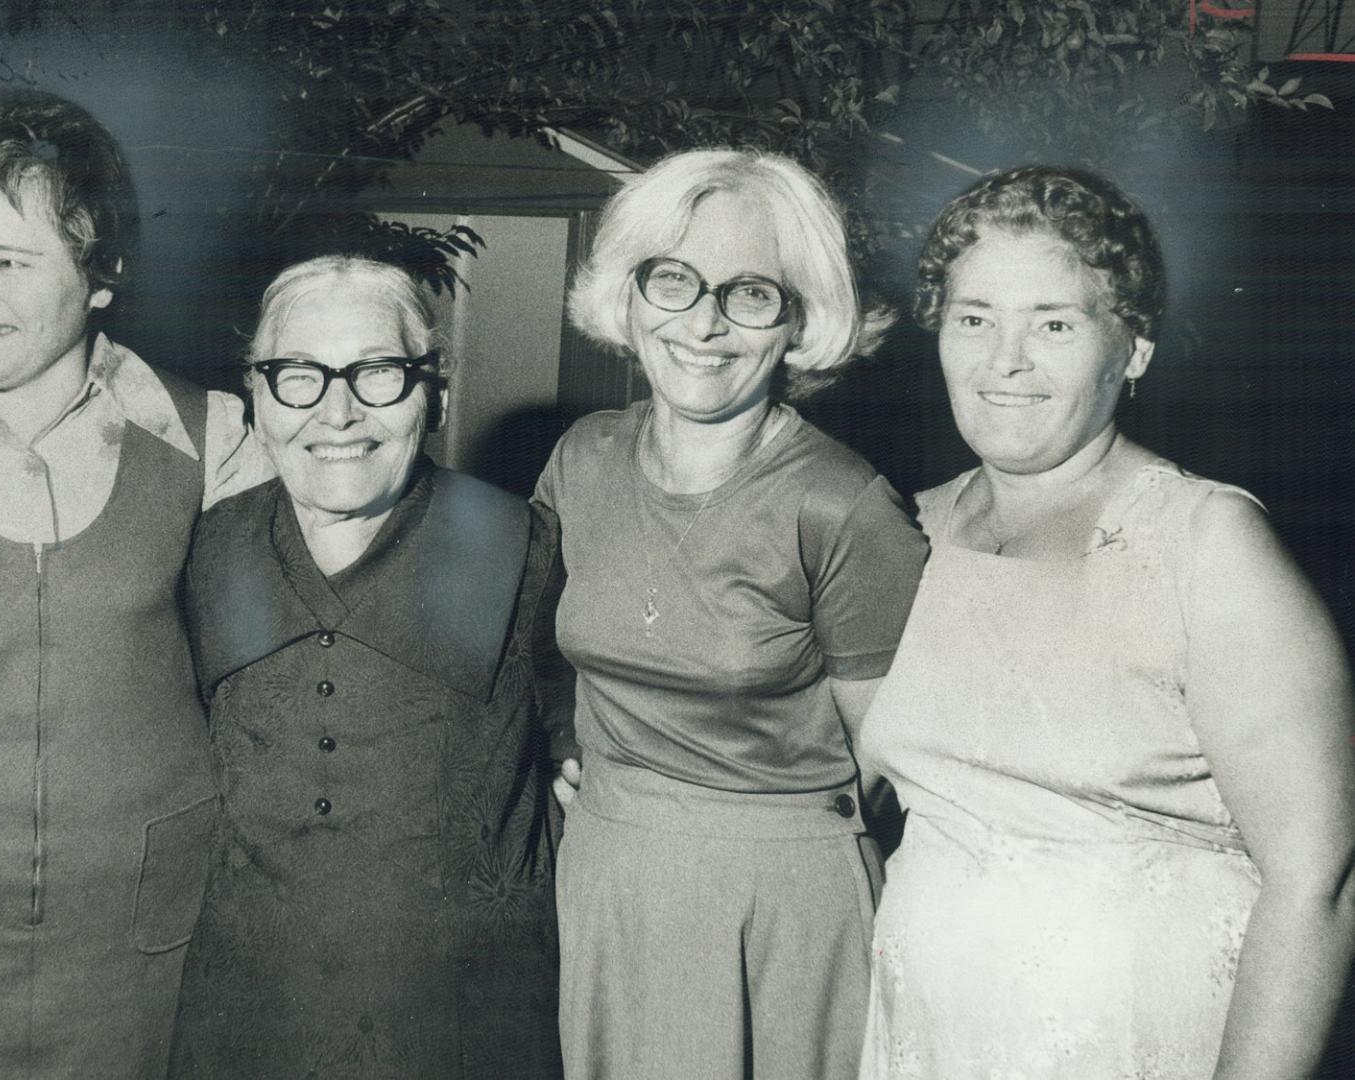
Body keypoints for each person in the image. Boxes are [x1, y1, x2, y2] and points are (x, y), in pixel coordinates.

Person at [856, 166, 1355, 1078]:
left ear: (1132, 350)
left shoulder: (1205, 543)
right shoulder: (898, 533)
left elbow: (1318, 882)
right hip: (924, 1042)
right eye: (974, 318)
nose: (1004, 360)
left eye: (1054, 323)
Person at [0, 88, 266, 1078]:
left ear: (101, 273)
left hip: (148, 959)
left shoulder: (216, 443)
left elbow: (306, 673)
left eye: (10, 260)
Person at [532, 148, 928, 1078]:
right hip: (606, 870)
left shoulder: (841, 504)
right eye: (673, 281)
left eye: (751, 293)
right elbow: (547, 648)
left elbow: (890, 769)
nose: (703, 324)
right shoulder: (579, 458)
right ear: (628, 297)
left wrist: (737, 831)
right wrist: (564, 742)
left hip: (781, 899)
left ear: (798, 321)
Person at [168, 255, 569, 1079]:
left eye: (378, 374)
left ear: (436, 398)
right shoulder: (203, 550)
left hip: (461, 1029)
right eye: (297, 376)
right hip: (246, 1024)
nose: (337, 413)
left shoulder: (524, 547)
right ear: (255, 396)